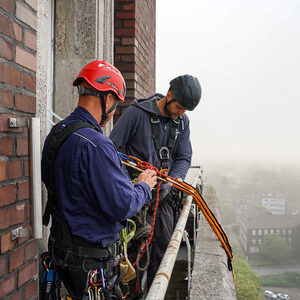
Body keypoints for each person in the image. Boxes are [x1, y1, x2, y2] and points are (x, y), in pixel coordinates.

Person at [41, 60, 157, 300]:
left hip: (61, 251)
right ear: (107, 98)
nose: (113, 112)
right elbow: (123, 205)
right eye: (115, 104)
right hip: (90, 262)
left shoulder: (58, 133)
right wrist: (144, 186)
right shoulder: (98, 145)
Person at [110, 74, 202, 298]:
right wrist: (131, 182)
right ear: (169, 95)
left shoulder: (182, 123)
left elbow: (183, 157)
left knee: (161, 257)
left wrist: (176, 178)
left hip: (163, 203)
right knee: (130, 261)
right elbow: (112, 151)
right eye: (179, 107)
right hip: (134, 203)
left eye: (185, 110)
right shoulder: (136, 114)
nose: (181, 113)